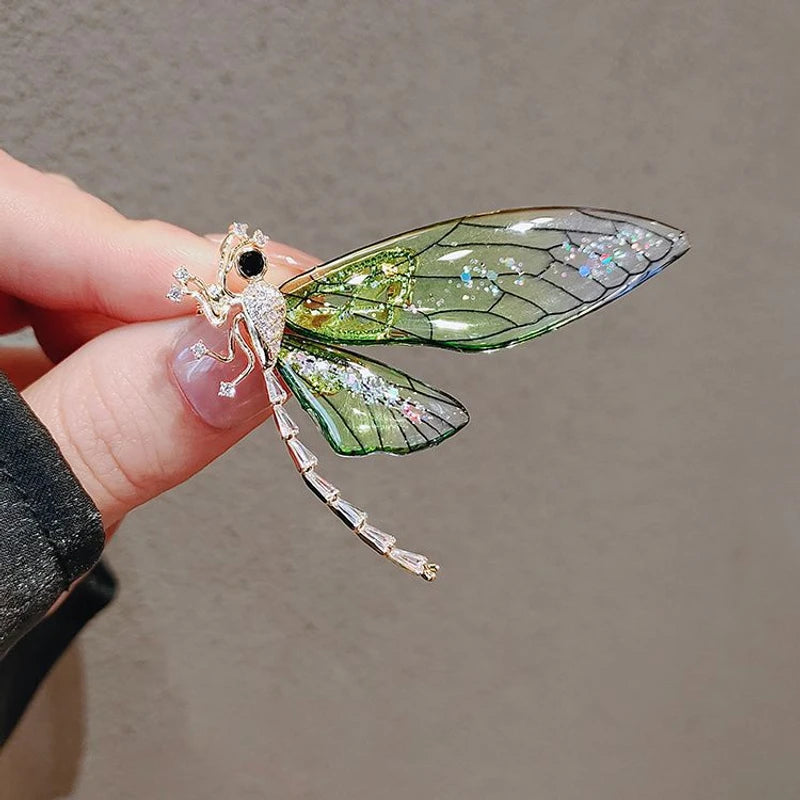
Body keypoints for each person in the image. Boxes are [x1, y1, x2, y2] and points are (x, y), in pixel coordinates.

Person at [0, 150, 316, 742]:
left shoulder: (249, 309)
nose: (242, 262)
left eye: (244, 259)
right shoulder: (243, 301)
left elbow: (218, 314)